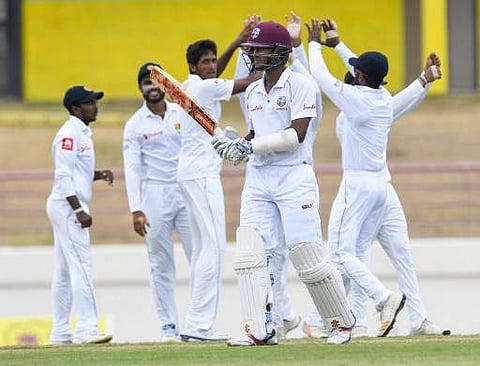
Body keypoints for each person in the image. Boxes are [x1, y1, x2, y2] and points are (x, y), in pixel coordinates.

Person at [212, 20, 355, 346]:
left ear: (279, 53)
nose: (253, 56)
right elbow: (257, 132)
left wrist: (252, 145)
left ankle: (340, 323)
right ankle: (261, 328)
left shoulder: (301, 84)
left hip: (294, 175)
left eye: (260, 51)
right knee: (252, 254)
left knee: (306, 252)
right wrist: (238, 147)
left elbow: (296, 135)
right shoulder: (251, 90)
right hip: (259, 178)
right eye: (253, 50)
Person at [308, 18, 406, 338]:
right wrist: (336, 44)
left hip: (358, 185)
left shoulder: (358, 102)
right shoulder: (383, 97)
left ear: (361, 77)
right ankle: (352, 318)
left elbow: (320, 76)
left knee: (339, 252)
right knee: (357, 252)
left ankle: (383, 297)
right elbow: (355, 63)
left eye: (357, 71)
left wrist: (313, 44)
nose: (353, 72)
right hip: (379, 186)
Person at [177, 20, 261, 342]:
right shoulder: (203, 87)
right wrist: (267, 60)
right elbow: (248, 81)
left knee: (203, 249)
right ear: (192, 66)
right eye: (206, 62)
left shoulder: (193, 83)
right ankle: (200, 326)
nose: (212, 66)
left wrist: (237, 40)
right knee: (213, 248)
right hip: (201, 175)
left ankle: (194, 324)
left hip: (191, 173)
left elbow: (218, 76)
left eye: (214, 60)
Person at [123, 63, 193, 343]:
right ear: (140, 88)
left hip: (186, 192)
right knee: (161, 265)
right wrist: (136, 209)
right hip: (154, 196)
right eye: (146, 83)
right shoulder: (135, 125)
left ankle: (199, 323)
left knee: (199, 258)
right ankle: (168, 327)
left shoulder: (182, 111)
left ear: (165, 85)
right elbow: (132, 169)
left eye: (156, 82)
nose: (152, 88)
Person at [46, 85, 114, 345]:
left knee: (64, 271)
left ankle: (61, 332)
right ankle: (86, 328)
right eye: (89, 102)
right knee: (81, 266)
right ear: (75, 109)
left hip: (66, 206)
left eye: (95, 101)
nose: (95, 106)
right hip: (67, 207)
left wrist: (97, 174)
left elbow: (76, 170)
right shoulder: (69, 134)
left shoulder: (82, 132)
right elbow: (62, 176)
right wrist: (78, 210)